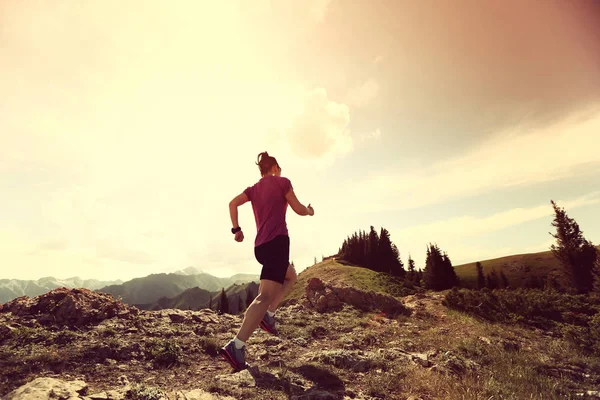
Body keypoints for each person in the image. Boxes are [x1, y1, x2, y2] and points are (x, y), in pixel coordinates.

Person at [220, 151, 314, 370]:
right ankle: (237, 345)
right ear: (275, 168)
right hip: (277, 244)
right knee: (263, 297)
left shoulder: (253, 189)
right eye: (278, 168)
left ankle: (269, 316)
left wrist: (236, 229)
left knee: (291, 276)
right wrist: (309, 211)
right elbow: (299, 209)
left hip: (261, 247)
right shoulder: (282, 182)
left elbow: (232, 204)